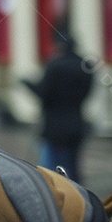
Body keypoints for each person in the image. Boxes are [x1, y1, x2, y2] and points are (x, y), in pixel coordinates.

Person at [23, 33, 94, 182]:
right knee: (72, 167)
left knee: (50, 170)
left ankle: (55, 199)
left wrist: (26, 83)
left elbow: (43, 91)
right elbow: (88, 92)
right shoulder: (85, 66)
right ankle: (78, 198)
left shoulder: (55, 66)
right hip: (76, 123)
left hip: (54, 126)